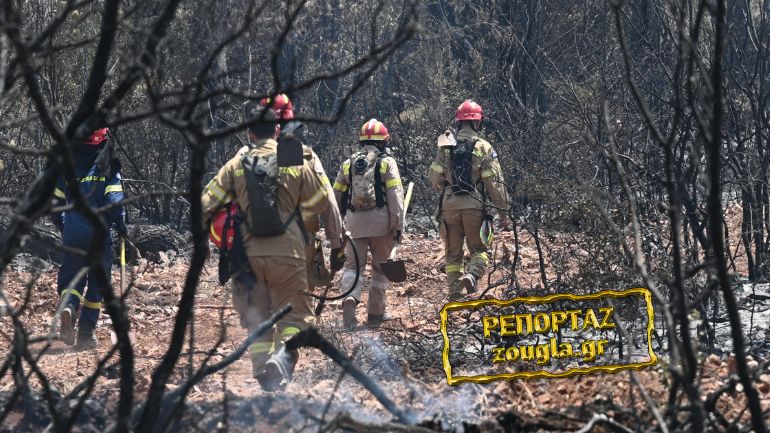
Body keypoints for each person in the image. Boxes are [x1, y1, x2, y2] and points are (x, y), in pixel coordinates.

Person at [202, 107, 335, 391]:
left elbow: (206, 203)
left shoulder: (238, 163)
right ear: (277, 130)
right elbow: (320, 202)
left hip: (247, 257)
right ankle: (283, 356)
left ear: (249, 133)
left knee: (257, 320)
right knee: (295, 317)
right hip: (289, 253)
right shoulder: (293, 159)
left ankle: (265, 375)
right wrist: (294, 204)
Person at [428, 100, 510, 301]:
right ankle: (472, 275)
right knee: (480, 249)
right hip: (475, 207)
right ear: (478, 122)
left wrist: (445, 187)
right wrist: (503, 213)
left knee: (453, 255)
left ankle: (455, 295)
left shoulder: (446, 144)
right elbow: (495, 184)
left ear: (458, 122)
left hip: (449, 208)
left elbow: (434, 176)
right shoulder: (484, 147)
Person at [53, 127, 127, 348]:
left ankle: (69, 306)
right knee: (97, 286)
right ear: (101, 137)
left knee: (71, 280)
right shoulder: (108, 164)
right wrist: (122, 225)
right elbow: (115, 201)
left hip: (73, 235)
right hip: (99, 237)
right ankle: (85, 335)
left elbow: (55, 203)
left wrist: (64, 226)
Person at [333, 119, 404, 329]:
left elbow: (336, 195)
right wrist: (397, 224)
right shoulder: (387, 163)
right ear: (384, 141)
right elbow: (395, 197)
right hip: (381, 224)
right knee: (381, 268)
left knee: (353, 266)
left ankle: (349, 300)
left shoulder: (348, 164)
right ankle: (375, 314)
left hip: (354, 225)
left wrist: (338, 224)